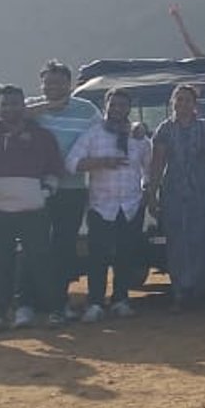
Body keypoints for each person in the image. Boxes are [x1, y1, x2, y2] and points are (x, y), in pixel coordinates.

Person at [0, 85, 64, 333]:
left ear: (24, 106)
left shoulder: (43, 137)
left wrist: (44, 192)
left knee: (42, 263)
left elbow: (54, 170)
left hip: (34, 212)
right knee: (1, 266)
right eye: (4, 104)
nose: (9, 109)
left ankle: (55, 311)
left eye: (14, 104)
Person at [64, 88, 152, 323]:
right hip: (102, 205)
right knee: (98, 257)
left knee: (126, 255)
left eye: (122, 106)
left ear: (128, 109)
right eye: (113, 105)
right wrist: (101, 162)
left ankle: (121, 300)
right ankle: (95, 303)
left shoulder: (138, 136)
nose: (117, 110)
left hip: (131, 205)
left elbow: (150, 166)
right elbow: (71, 163)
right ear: (106, 107)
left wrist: (146, 190)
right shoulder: (92, 134)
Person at [28, 60, 100, 321]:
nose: (52, 87)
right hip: (36, 189)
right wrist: (50, 106)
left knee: (64, 245)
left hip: (72, 188)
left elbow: (102, 136)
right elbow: (9, 119)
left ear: (69, 85)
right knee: (36, 245)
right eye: (48, 83)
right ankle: (33, 302)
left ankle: (59, 302)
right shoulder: (32, 108)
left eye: (58, 83)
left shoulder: (87, 110)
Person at [144, 85, 205, 311]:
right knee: (177, 240)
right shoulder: (165, 129)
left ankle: (204, 288)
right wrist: (152, 194)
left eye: (187, 100)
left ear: (195, 104)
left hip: (203, 189)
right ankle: (181, 290)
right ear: (172, 102)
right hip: (174, 191)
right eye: (179, 100)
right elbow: (157, 164)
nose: (183, 104)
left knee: (202, 237)